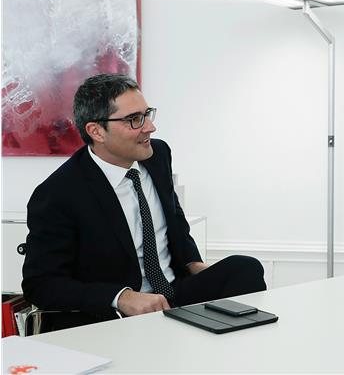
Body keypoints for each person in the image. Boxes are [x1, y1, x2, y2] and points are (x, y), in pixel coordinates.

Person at [22, 74, 266, 329]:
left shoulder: (158, 155)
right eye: (134, 119)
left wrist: (192, 262)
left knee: (245, 268)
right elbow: (41, 284)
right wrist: (121, 298)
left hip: (173, 294)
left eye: (147, 114)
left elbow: (174, 217)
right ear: (96, 131)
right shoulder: (57, 193)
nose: (150, 127)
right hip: (116, 315)